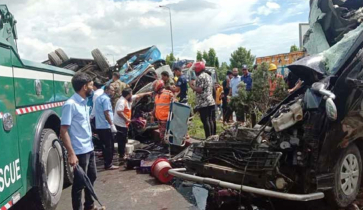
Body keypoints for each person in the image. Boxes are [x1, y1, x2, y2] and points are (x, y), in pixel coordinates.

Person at [60, 72, 98, 210]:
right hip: (79, 151)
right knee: (79, 184)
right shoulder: (70, 104)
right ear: (84, 87)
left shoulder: (84, 102)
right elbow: (63, 131)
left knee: (92, 177)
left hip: (89, 148)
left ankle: (89, 205)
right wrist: (71, 153)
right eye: (91, 85)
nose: (93, 88)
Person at [114, 88, 152, 161]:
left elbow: (138, 95)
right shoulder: (122, 101)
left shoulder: (128, 99)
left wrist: (147, 93)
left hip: (124, 123)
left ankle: (122, 153)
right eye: (131, 94)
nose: (132, 95)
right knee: (121, 140)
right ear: (128, 95)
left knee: (124, 139)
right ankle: (122, 155)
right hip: (120, 124)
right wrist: (126, 119)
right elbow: (119, 112)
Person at [94, 84, 119, 170]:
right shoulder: (106, 99)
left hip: (100, 125)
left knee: (104, 145)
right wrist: (111, 124)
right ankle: (108, 164)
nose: (113, 92)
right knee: (109, 146)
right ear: (107, 90)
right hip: (105, 125)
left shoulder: (98, 98)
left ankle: (107, 163)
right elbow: (106, 113)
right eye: (112, 90)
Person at [190, 62, 216, 138]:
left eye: (195, 69)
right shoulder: (208, 76)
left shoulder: (200, 77)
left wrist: (191, 86)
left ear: (198, 69)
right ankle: (212, 137)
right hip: (210, 101)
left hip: (203, 102)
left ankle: (208, 137)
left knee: (205, 121)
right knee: (210, 120)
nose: (194, 71)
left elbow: (199, 90)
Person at [152, 80, 174, 146]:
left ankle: (168, 149)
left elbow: (175, 105)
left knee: (166, 135)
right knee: (162, 135)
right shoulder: (156, 96)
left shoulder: (168, 93)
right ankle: (165, 148)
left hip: (166, 119)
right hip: (159, 119)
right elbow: (156, 106)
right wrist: (152, 114)